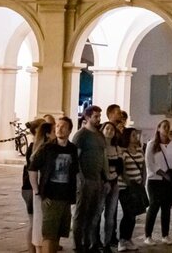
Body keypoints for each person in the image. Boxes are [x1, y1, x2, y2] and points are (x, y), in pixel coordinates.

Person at [30, 116, 80, 253]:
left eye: (63, 126)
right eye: (57, 126)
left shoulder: (72, 149)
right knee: (49, 234)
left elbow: (75, 171)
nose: (59, 129)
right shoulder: (47, 148)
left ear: (70, 130)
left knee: (58, 233)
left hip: (65, 197)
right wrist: (37, 191)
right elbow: (33, 168)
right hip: (50, 197)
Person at [72, 105, 109, 253]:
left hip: (97, 180)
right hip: (85, 180)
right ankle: (78, 244)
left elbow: (103, 157)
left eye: (99, 117)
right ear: (87, 117)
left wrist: (105, 178)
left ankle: (89, 242)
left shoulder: (99, 135)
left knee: (93, 214)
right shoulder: (81, 135)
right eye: (95, 117)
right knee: (81, 213)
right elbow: (76, 159)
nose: (98, 119)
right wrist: (80, 179)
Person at [143, 119, 172, 245]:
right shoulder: (152, 144)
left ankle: (165, 234)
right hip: (155, 180)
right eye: (164, 126)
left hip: (169, 180)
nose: (166, 129)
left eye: (168, 126)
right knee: (154, 206)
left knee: (166, 207)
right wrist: (162, 174)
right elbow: (149, 162)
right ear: (158, 128)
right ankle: (148, 235)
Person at [22, 119, 49, 253]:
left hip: (32, 188)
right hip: (30, 188)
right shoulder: (35, 147)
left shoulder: (38, 147)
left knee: (36, 222)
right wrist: (37, 189)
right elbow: (32, 169)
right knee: (34, 223)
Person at [117, 127, 146, 251]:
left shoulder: (139, 150)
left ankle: (128, 239)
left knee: (133, 213)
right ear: (127, 137)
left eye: (136, 135)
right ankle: (122, 240)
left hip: (137, 186)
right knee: (128, 213)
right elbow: (122, 170)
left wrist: (143, 180)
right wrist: (129, 182)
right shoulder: (123, 152)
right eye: (133, 135)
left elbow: (143, 166)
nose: (136, 137)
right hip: (125, 187)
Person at [101, 112, 124, 251]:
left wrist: (113, 177)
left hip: (114, 183)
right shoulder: (100, 147)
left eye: (112, 129)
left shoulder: (117, 148)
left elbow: (120, 166)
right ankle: (94, 241)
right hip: (102, 184)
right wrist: (105, 179)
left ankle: (107, 242)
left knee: (110, 215)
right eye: (107, 129)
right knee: (97, 214)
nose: (109, 131)